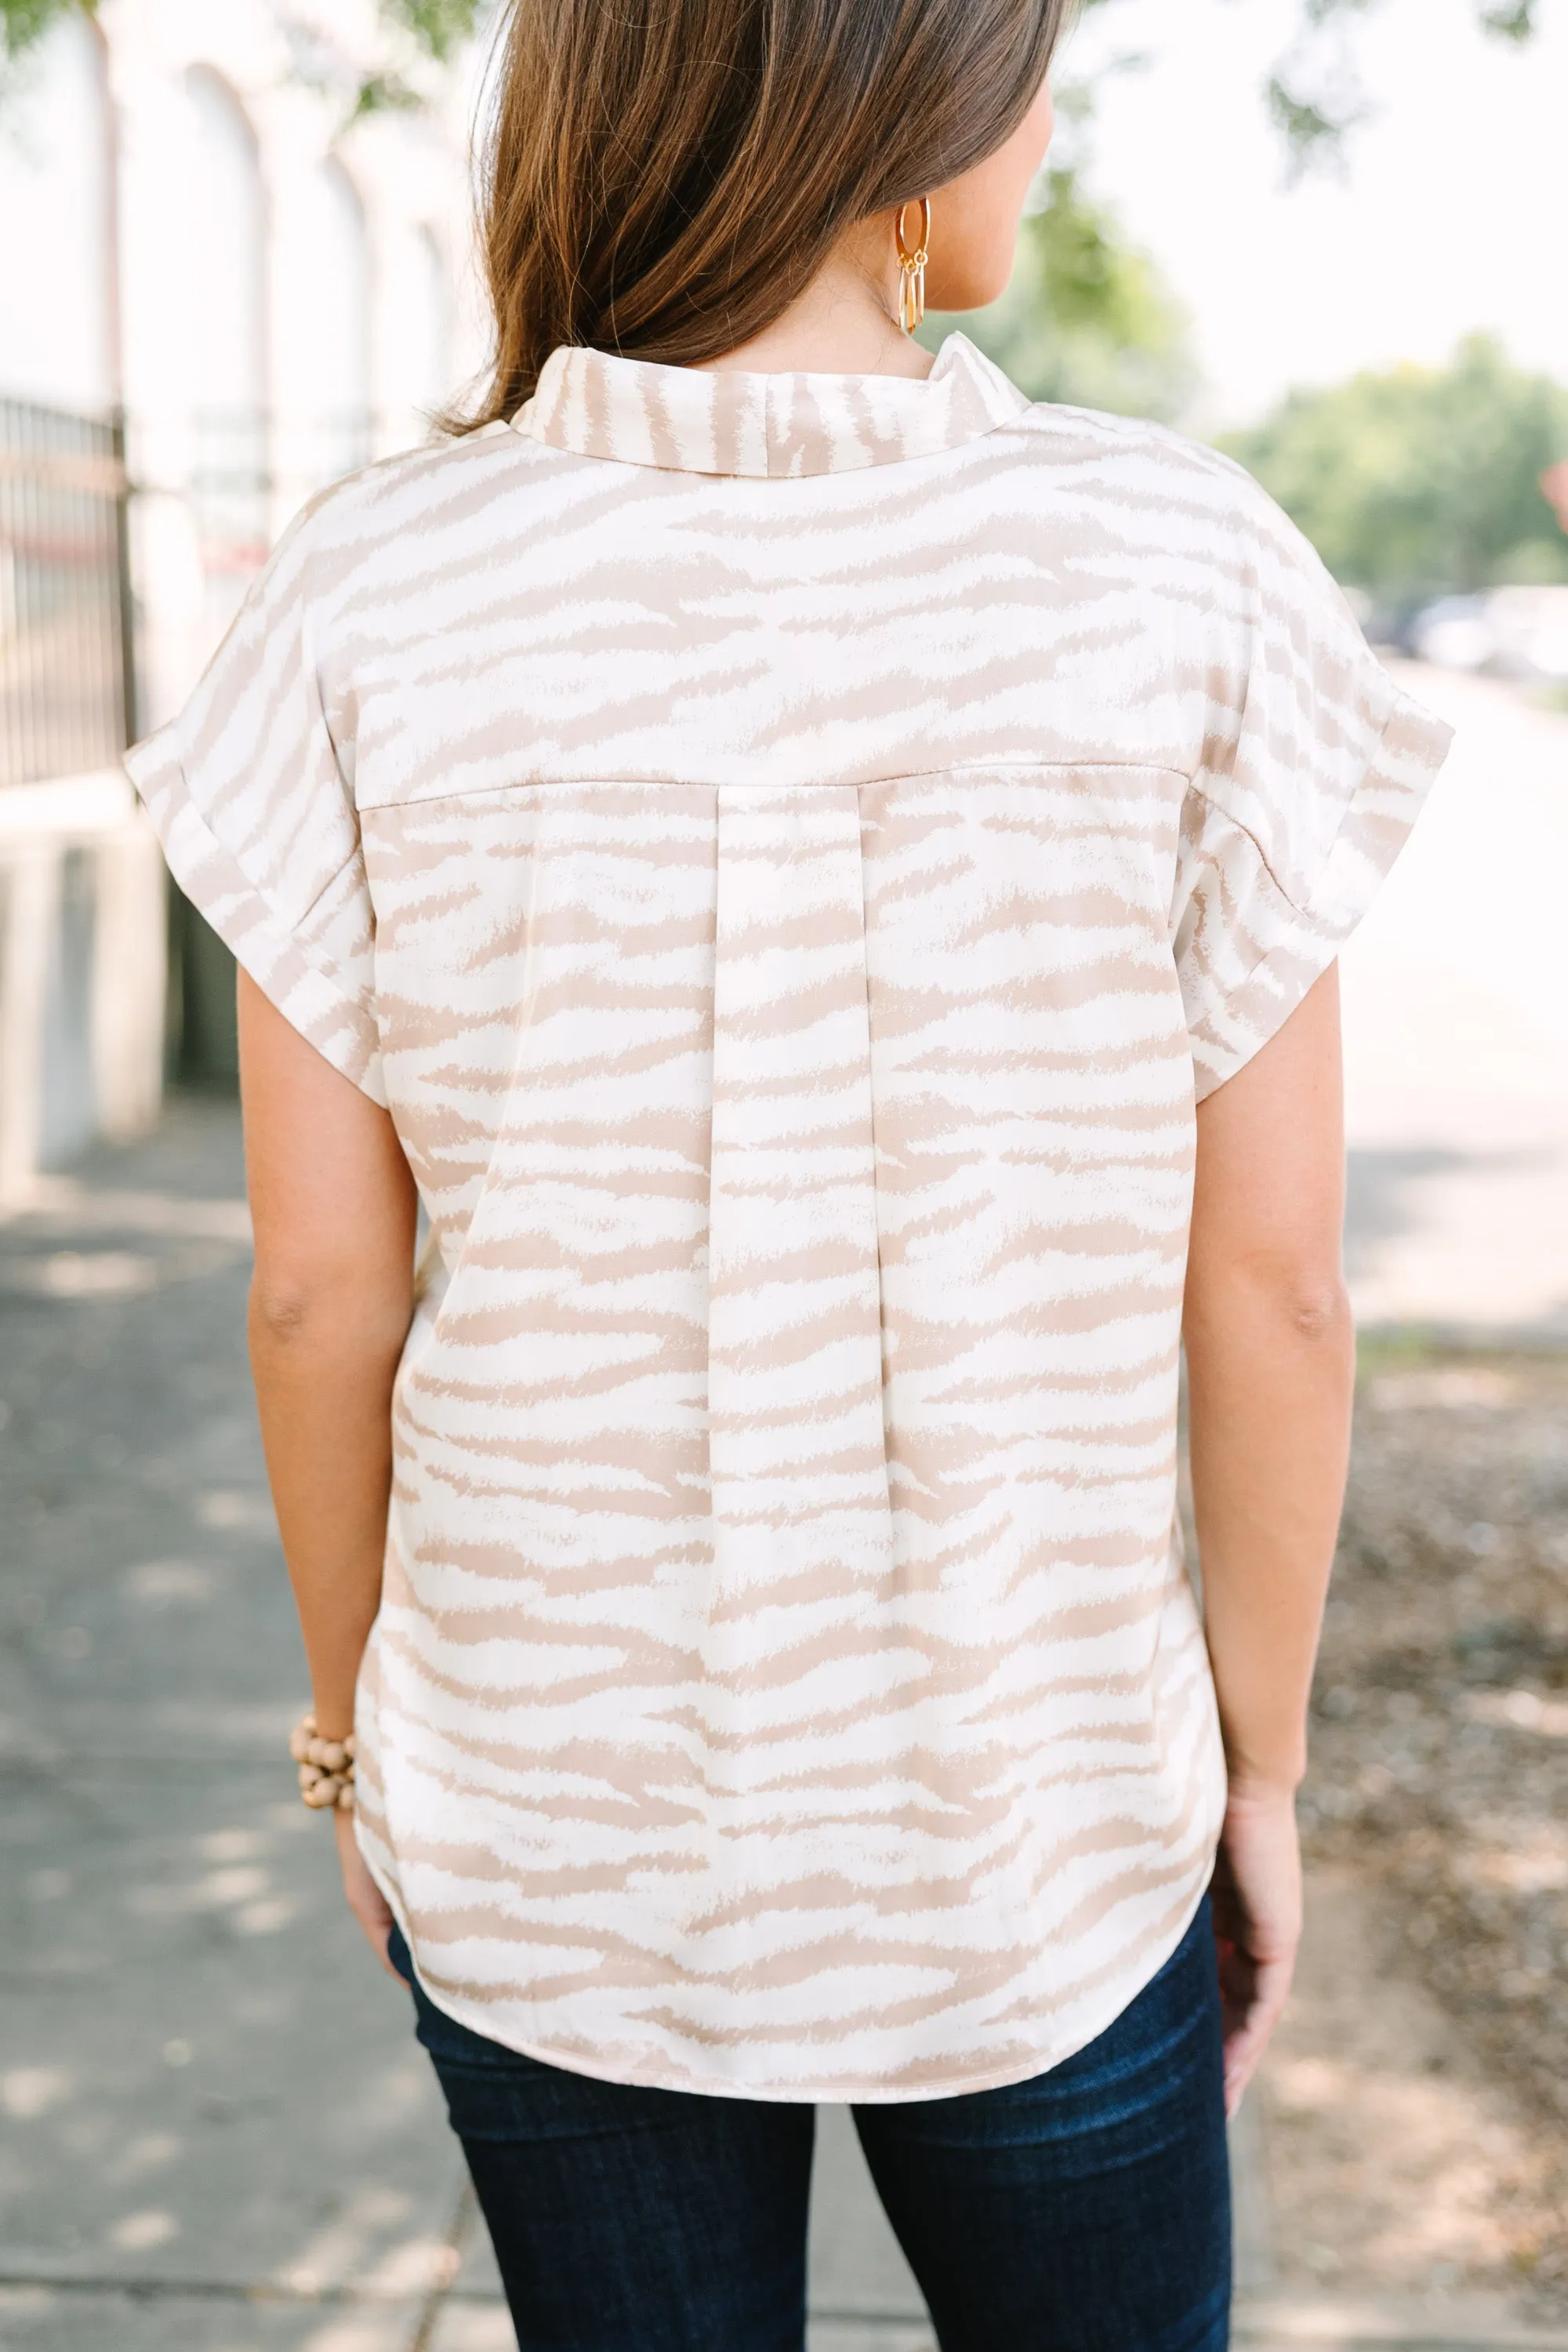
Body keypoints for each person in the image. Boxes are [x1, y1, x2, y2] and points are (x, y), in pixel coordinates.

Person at [125, 1, 1452, 2344]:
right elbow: (1275, 1298)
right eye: (1036, 62)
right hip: (1038, 1831)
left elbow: (322, 1290)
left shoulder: (368, 590)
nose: (1049, 120)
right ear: (900, 108)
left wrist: (358, 1742)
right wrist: (1260, 1770)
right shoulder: (1181, 567)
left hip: (547, 1823)